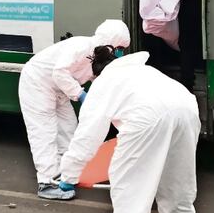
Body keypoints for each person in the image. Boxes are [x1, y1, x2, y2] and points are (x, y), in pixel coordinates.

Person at [57, 47, 200, 213]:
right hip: (186, 108)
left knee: (130, 180)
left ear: (96, 73)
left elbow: (87, 136)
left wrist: (69, 174)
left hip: (147, 117)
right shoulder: (143, 70)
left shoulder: (104, 83)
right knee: (177, 174)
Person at [18, 19, 131, 201]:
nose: (119, 53)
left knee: (69, 128)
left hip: (60, 89)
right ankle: (47, 182)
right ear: (111, 41)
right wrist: (81, 94)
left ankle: (65, 174)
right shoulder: (81, 46)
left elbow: (99, 84)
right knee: (44, 131)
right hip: (37, 83)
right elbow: (59, 72)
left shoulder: (99, 56)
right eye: (119, 48)